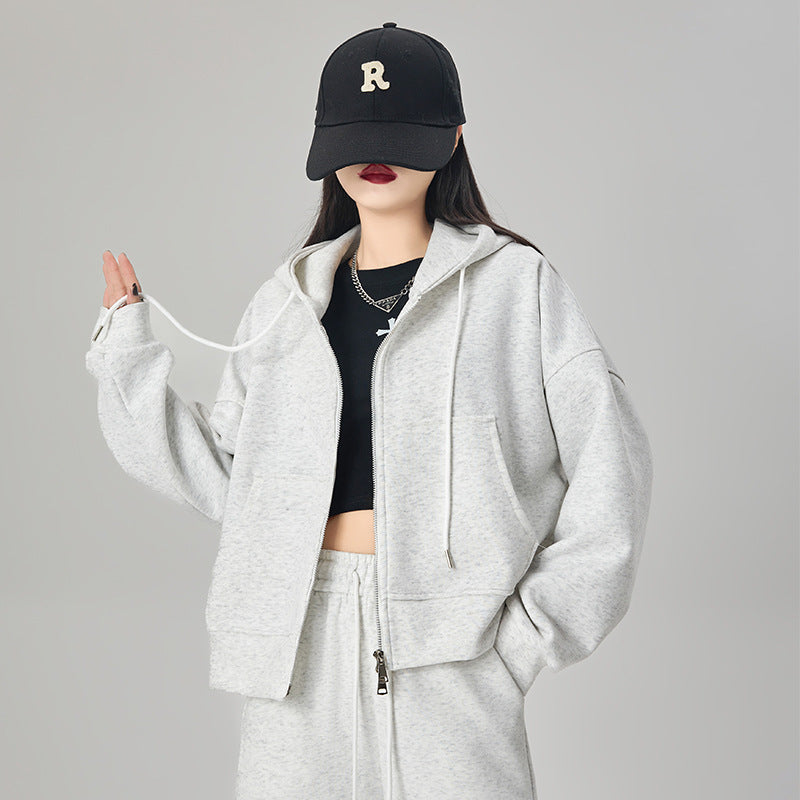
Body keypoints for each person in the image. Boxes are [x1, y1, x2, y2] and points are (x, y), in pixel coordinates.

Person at [85, 22, 654, 800]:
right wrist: (125, 354)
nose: (376, 157)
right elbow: (230, 483)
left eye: (401, 135)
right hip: (296, 645)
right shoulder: (286, 303)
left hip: (454, 651)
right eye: (358, 137)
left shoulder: (516, 288)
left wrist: (522, 641)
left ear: (452, 138)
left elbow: (611, 468)